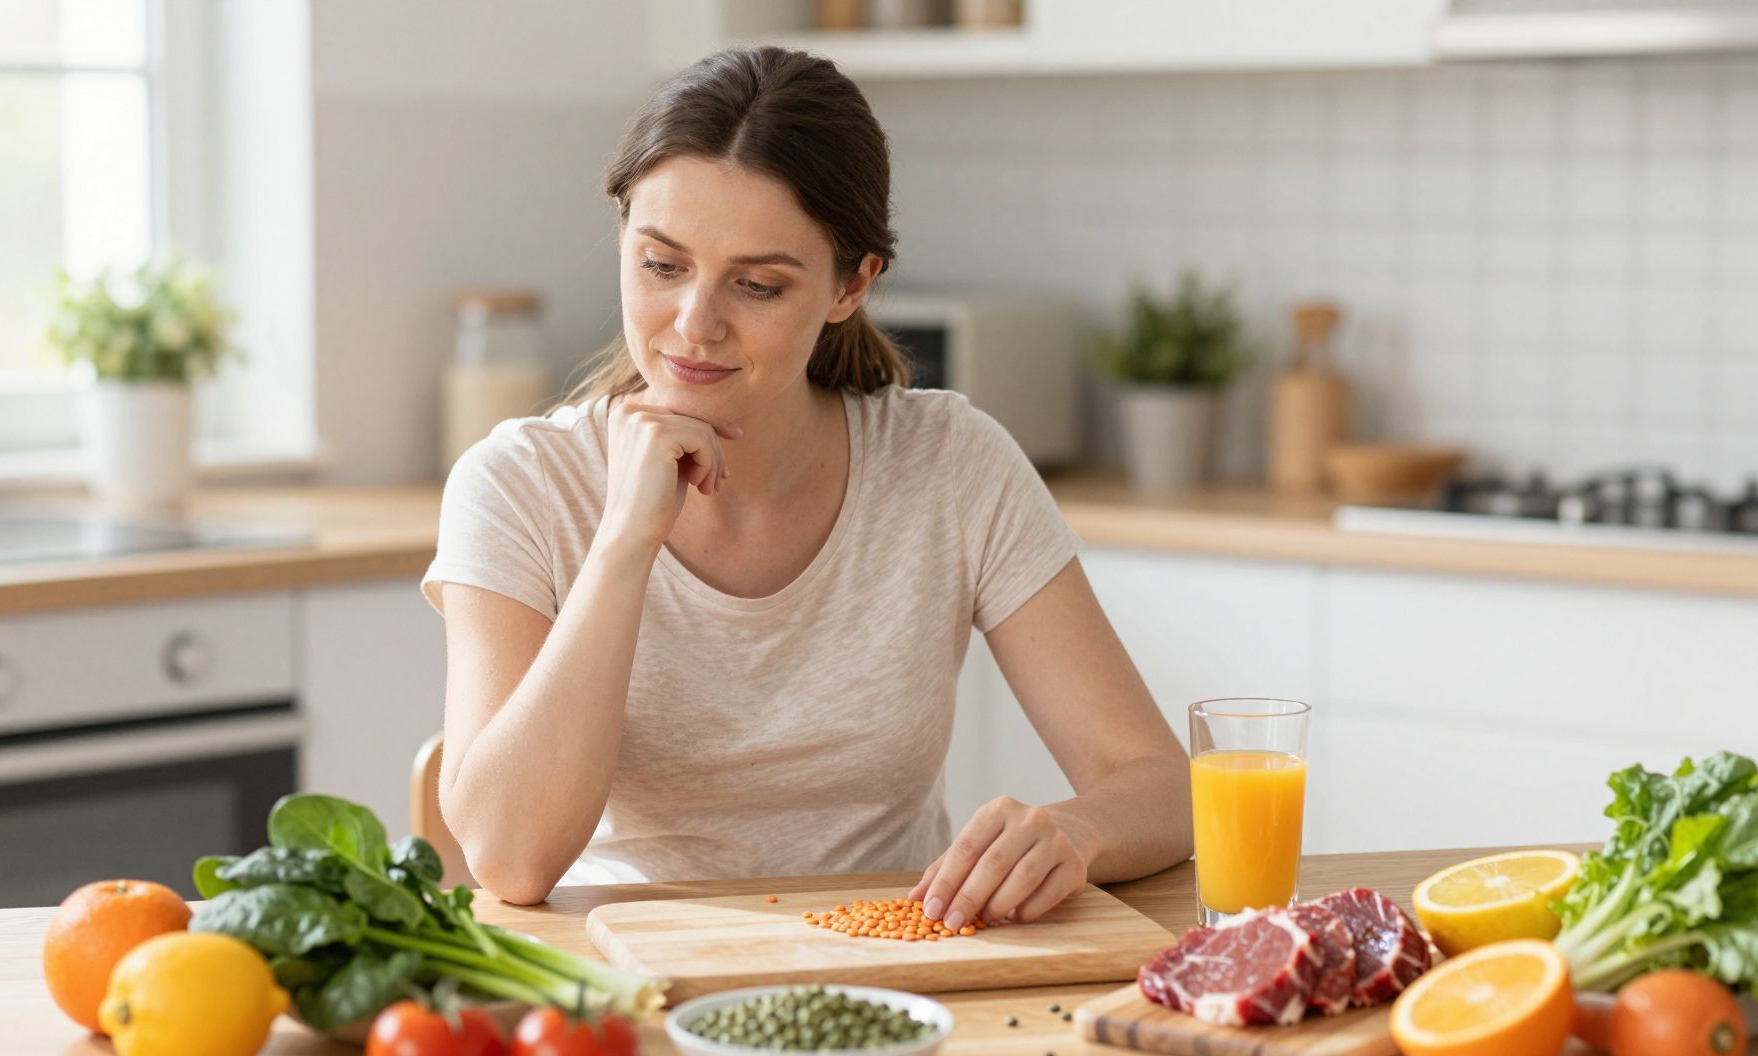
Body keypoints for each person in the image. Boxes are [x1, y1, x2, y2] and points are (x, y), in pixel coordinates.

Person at [421, 46, 1191, 931]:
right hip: (629, 972)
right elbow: (511, 860)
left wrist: (1076, 832)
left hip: (889, 966)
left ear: (851, 285)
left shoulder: (951, 464)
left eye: (757, 285)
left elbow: (1164, 787)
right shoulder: (519, 484)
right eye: (662, 265)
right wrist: (625, 541)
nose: (695, 324)